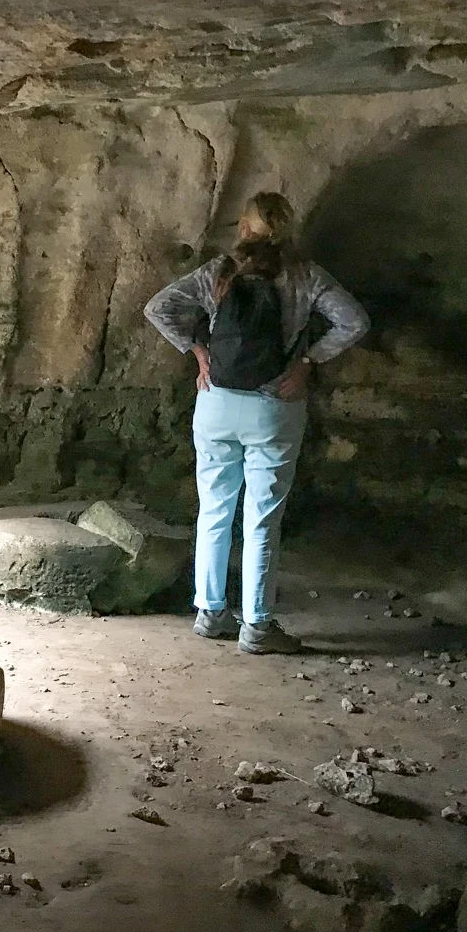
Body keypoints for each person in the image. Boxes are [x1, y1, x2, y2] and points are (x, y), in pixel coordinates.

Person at [145, 192, 369, 654]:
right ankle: (258, 627)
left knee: (214, 510)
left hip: (216, 402)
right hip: (274, 406)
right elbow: (354, 322)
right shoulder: (306, 277)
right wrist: (308, 359)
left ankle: (209, 612)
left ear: (243, 228)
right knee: (262, 520)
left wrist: (198, 351)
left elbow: (158, 308)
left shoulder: (218, 272)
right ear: (288, 229)